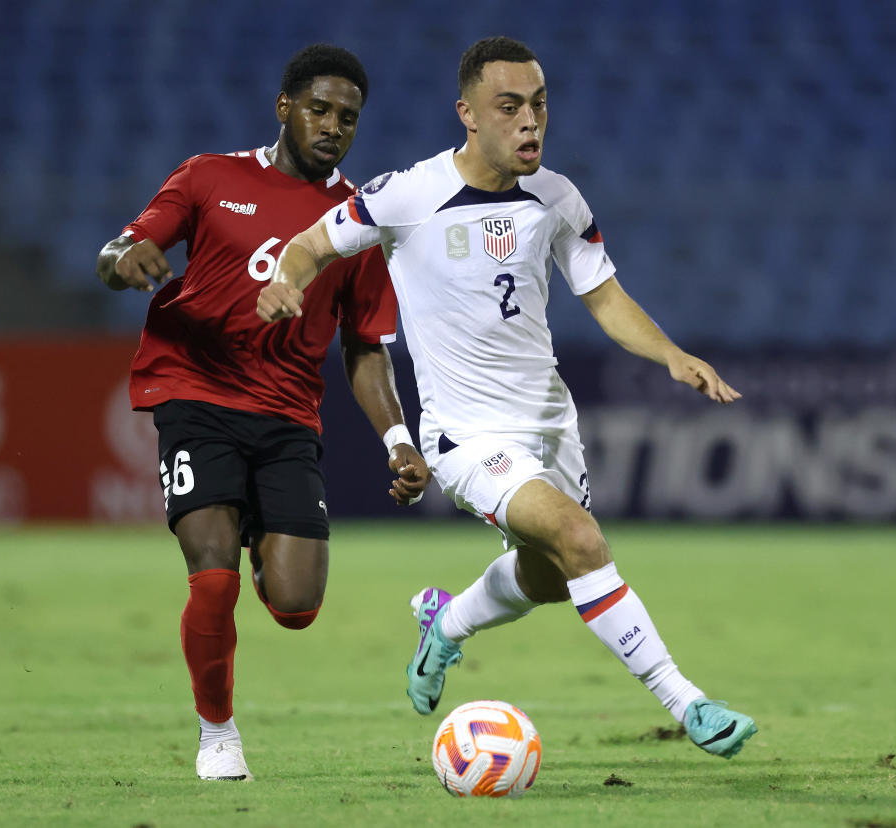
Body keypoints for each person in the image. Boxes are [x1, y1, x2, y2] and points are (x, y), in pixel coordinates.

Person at [257, 36, 758, 758]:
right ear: (468, 114)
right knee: (582, 540)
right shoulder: (407, 195)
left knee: (552, 578)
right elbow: (310, 243)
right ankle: (691, 704)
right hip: (466, 436)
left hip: (551, 427)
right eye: (510, 107)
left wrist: (673, 355)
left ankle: (447, 625)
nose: (531, 122)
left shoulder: (558, 198)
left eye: (540, 105)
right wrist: (287, 278)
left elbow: (606, 297)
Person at [95, 44, 430, 780]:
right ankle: (218, 735)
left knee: (296, 604)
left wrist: (398, 440)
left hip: (286, 420)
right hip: (196, 395)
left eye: (348, 117)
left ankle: (253, 526)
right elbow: (124, 245)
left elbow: (365, 349)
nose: (333, 126)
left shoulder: (356, 226)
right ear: (285, 108)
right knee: (210, 575)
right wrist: (124, 259)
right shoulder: (210, 177)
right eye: (320, 109)